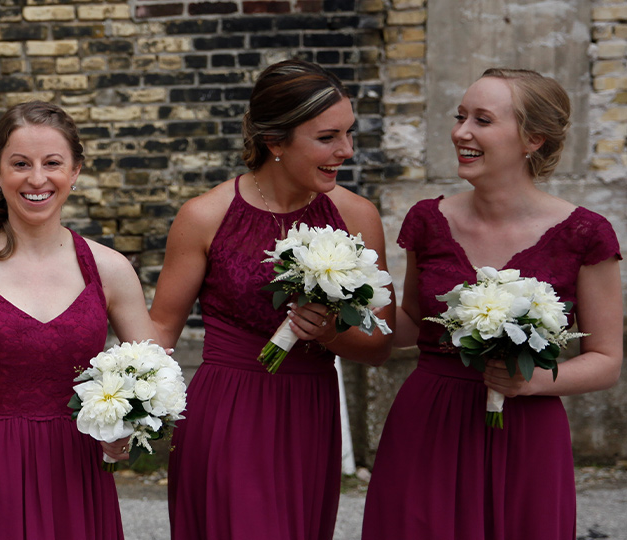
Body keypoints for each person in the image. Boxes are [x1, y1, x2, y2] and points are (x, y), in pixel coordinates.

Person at [362, 68, 622, 540]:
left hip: (528, 429)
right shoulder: (428, 219)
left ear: (533, 139)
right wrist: (338, 312)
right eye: (461, 116)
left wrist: (532, 380)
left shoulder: (585, 233)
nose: (461, 131)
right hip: (428, 421)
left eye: (482, 120)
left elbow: (606, 362)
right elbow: (409, 324)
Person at [148, 59, 394, 539]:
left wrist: (330, 332)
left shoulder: (357, 216)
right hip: (228, 412)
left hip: (310, 411)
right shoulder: (205, 216)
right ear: (274, 141)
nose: (345, 151)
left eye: (349, 134)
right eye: (328, 138)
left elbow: (380, 344)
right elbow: (159, 332)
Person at [0, 101, 162, 539]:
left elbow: (154, 376)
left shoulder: (110, 269)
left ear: (75, 171)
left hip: (75, 467)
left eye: (53, 163)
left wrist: (128, 434)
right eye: (20, 164)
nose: (38, 179)